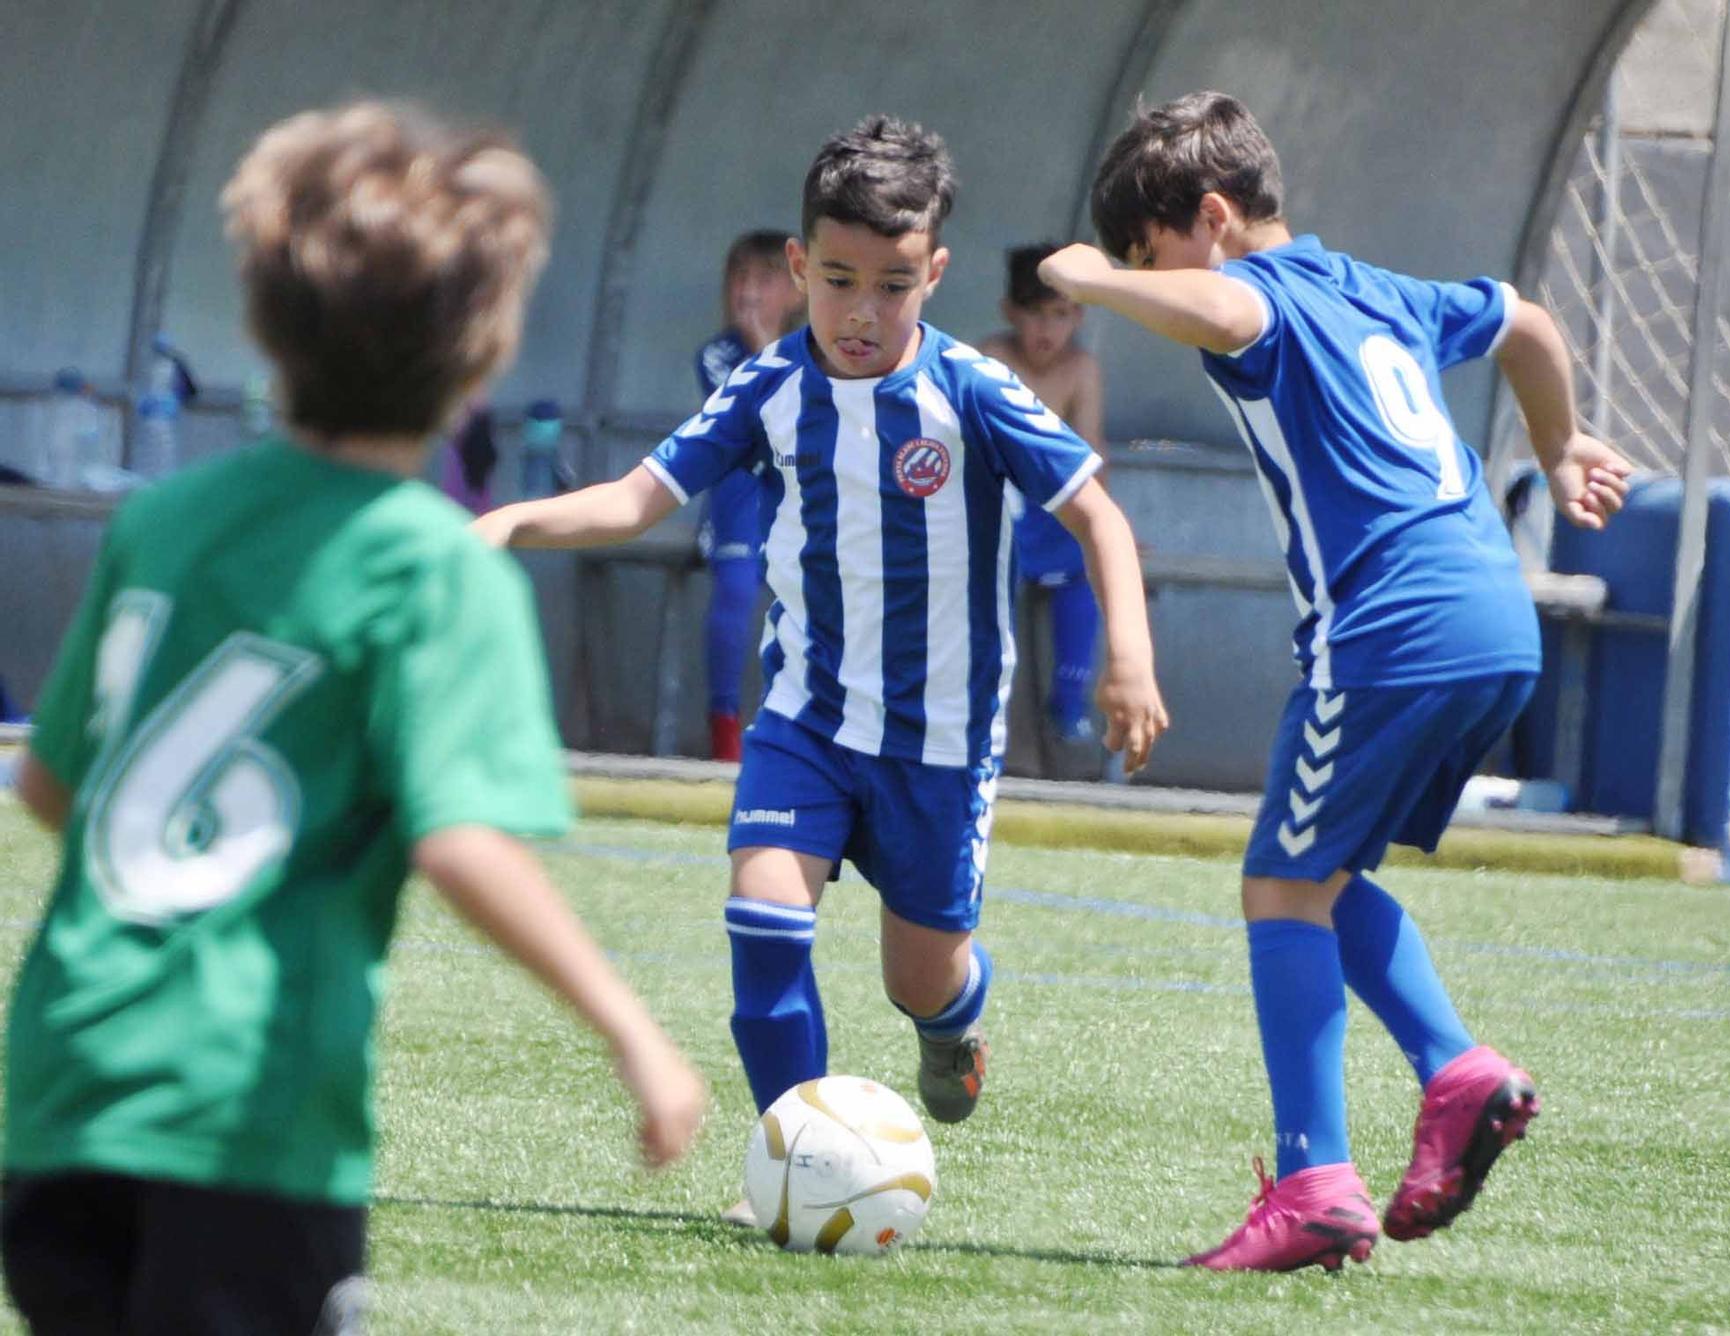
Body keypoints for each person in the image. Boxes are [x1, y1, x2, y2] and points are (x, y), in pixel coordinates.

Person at [1, 102, 707, 1333]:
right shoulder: (437, 571)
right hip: (248, 1116)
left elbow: (52, 788)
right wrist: (631, 1028)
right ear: (484, 353)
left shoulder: (161, 520)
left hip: (63, 1089)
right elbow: (462, 840)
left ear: (264, 325)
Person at [472, 115, 1168, 1217]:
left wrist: (1125, 652)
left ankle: (953, 1026)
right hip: (804, 717)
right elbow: (635, 497)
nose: (861, 310)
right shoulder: (767, 388)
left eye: (892, 285)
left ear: (932, 276)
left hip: (938, 739)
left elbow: (1098, 516)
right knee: (761, 914)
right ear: (799, 268)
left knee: (919, 978)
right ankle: (799, 1156)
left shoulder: (974, 393)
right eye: (837, 279)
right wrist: (509, 523)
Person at [1042, 91, 1632, 1272]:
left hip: (1393, 631)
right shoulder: (1376, 289)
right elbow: (1523, 320)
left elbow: (1220, 301)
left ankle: (1315, 1179)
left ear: (1210, 218)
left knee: (1275, 882)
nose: (1146, 285)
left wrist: (1087, 278)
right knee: (1319, 869)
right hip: (1491, 618)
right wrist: (1559, 443)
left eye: (1147, 253)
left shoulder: (1254, 297)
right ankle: (1456, 1072)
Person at [978, 244, 1106, 746]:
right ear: (1011, 311)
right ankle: (988, 701)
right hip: (995, 502)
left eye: (1059, 314)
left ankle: (1069, 700)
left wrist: (1107, 528)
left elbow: (1092, 455)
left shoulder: (1082, 369)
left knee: (1086, 567)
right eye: (1034, 313)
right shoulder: (990, 357)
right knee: (989, 578)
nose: (1046, 329)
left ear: (1077, 315)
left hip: (1050, 506)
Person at [694, 231, 807, 761]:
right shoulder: (717, 354)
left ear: (798, 290)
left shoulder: (819, 351)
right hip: (740, 499)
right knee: (737, 590)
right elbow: (744, 423)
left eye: (764, 279)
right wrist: (762, 352)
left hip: (797, 498)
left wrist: (771, 351)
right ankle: (723, 727)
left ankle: (804, 729)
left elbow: (808, 423)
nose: (749, 292)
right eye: (739, 279)